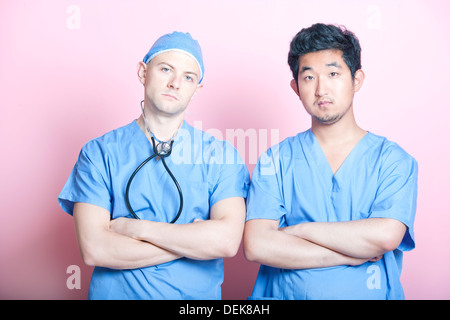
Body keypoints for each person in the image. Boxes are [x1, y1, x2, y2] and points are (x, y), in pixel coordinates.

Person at [58, 31, 250, 299]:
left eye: (188, 77)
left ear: (197, 89)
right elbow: (95, 249)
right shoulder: (99, 153)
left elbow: (227, 242)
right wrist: (191, 241)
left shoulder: (220, 155)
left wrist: (138, 229)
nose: (175, 83)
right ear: (142, 72)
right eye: (165, 69)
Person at [243, 23, 418, 300]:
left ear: (356, 80)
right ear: (296, 87)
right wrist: (348, 252)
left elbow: (385, 236)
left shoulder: (393, 161)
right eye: (309, 77)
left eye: (333, 73)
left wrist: (299, 230)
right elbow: (257, 245)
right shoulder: (275, 161)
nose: (321, 89)